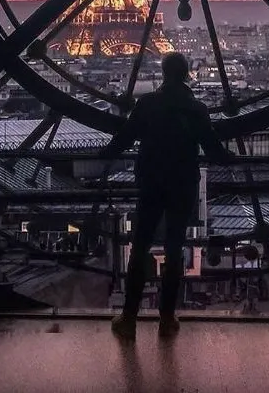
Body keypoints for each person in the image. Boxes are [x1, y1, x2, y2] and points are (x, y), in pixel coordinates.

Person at [96, 51, 234, 339]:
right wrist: (230, 157)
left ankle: (130, 316)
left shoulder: (147, 104)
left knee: (140, 247)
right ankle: (168, 317)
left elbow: (123, 138)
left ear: (162, 73)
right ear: (186, 75)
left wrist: (104, 154)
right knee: (174, 251)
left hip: (151, 182)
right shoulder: (196, 109)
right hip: (183, 184)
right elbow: (213, 149)